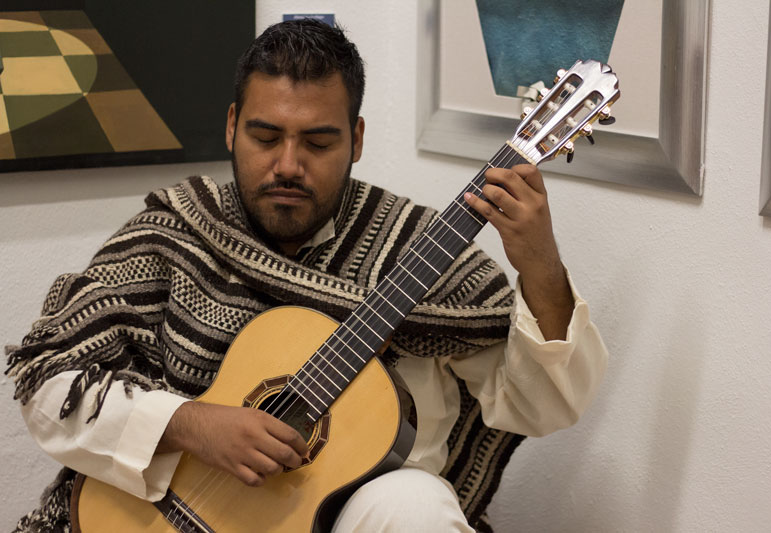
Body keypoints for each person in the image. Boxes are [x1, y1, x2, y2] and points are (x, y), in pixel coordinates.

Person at [6, 19, 607, 533]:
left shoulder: (426, 252)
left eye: (318, 142)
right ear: (231, 126)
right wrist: (190, 425)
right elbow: (49, 383)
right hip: (175, 502)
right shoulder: (178, 231)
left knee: (418, 503)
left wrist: (540, 265)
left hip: (348, 514)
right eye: (266, 137)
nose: (287, 165)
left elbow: (541, 408)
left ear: (357, 139)